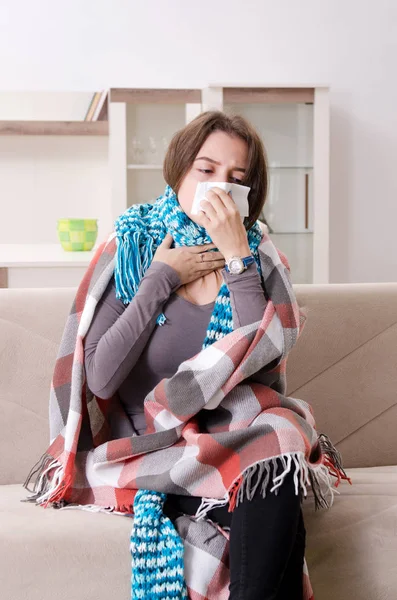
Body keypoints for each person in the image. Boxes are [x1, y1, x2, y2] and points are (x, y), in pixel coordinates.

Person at [83, 110, 306, 600]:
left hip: (230, 444)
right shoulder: (135, 248)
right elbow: (99, 379)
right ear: (180, 171)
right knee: (278, 491)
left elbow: (261, 364)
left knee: (275, 450)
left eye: (236, 178)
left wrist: (237, 257)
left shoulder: (257, 256)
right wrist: (161, 277)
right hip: (153, 450)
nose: (218, 187)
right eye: (206, 171)